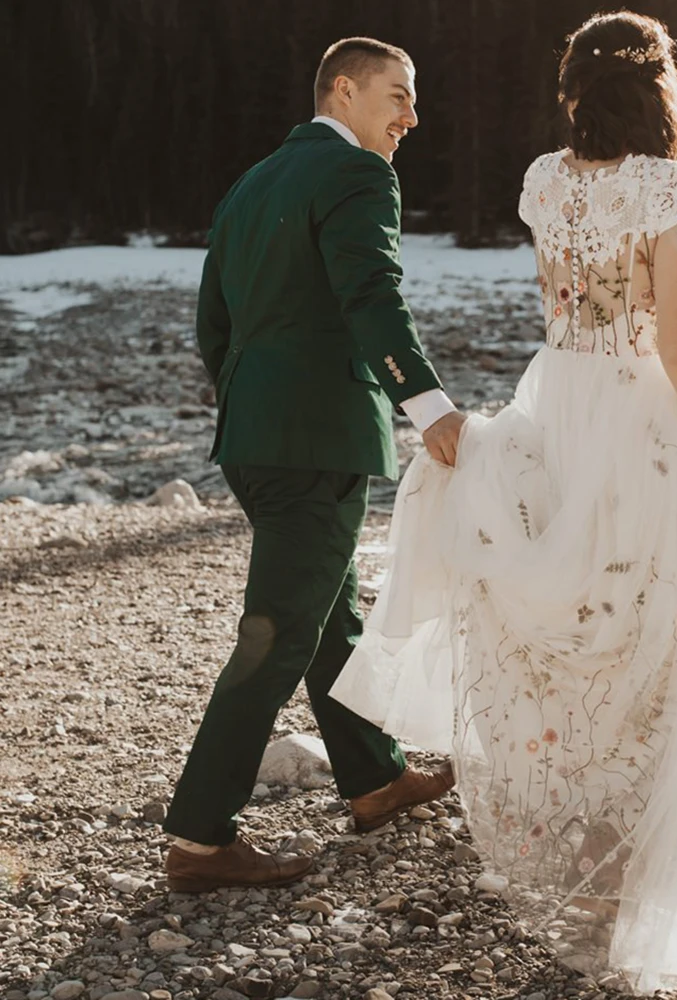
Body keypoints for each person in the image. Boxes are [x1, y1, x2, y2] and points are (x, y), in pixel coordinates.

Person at [330, 11, 677, 993]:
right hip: (638, 420)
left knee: (571, 633)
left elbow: (570, 312)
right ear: (659, 88)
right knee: (651, 637)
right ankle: (641, 859)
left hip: (553, 401)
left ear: (574, 88)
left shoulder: (544, 180)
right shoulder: (667, 187)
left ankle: (595, 854)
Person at [162, 37, 465, 893]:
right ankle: (198, 836)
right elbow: (372, 293)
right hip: (315, 439)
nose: (412, 117)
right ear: (343, 90)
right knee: (278, 634)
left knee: (329, 616)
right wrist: (429, 405)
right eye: (398, 96)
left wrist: (256, 400)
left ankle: (374, 779)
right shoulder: (359, 176)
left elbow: (212, 321)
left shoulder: (254, 181)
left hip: (254, 437)